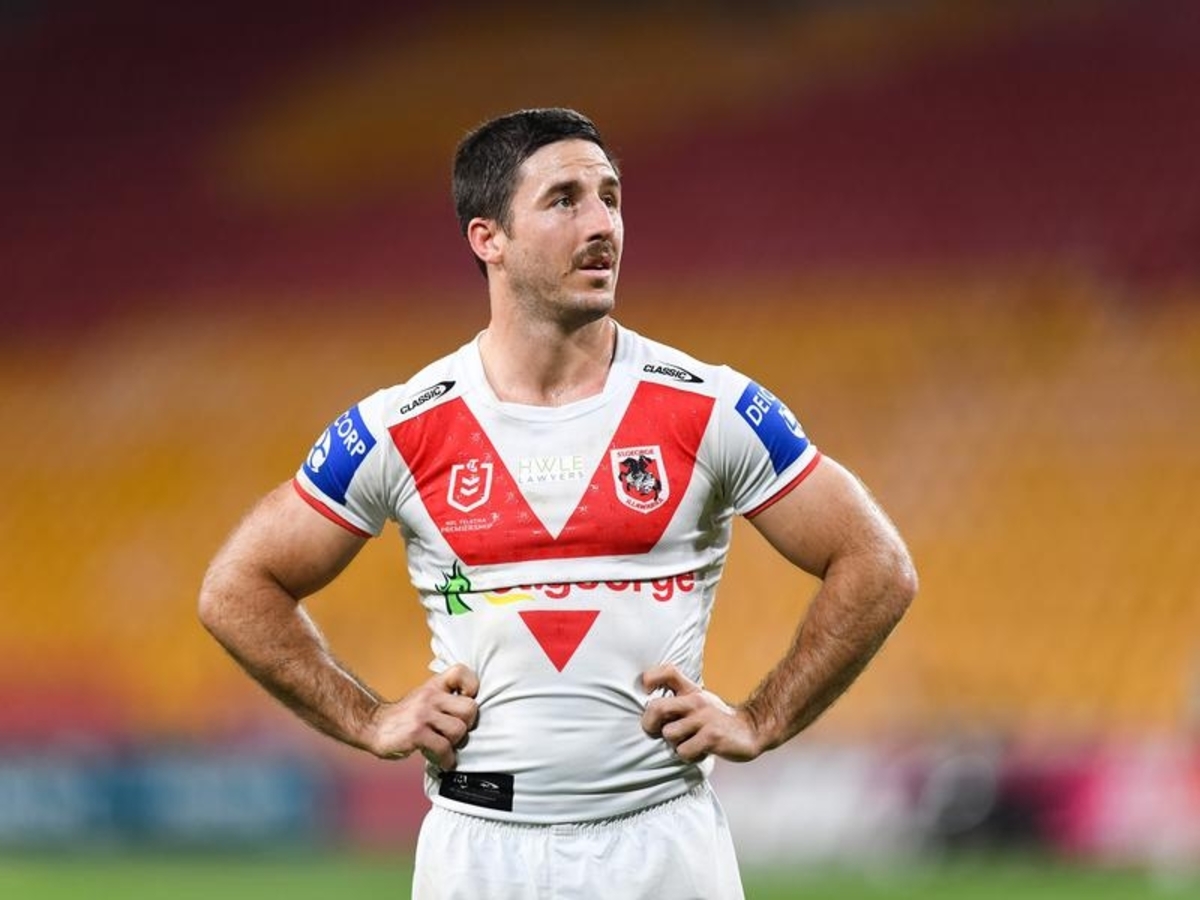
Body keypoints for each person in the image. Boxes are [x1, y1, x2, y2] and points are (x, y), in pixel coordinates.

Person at [198, 107, 917, 899]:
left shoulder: (709, 407)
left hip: (663, 849)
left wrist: (763, 718)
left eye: (610, 197)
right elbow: (237, 589)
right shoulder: (402, 426)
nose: (602, 224)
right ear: (488, 238)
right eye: (564, 200)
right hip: (477, 855)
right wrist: (368, 719)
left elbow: (876, 564)